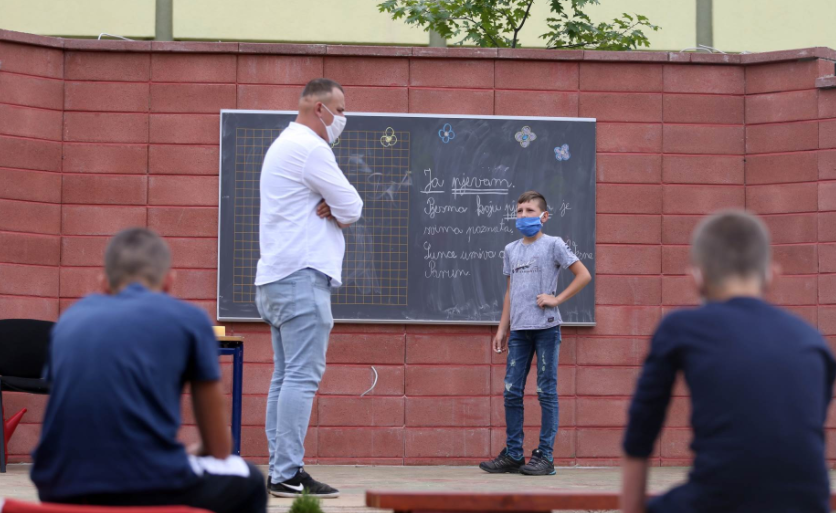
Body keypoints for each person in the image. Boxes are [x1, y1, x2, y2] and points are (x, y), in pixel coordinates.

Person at [30, 228, 266, 513]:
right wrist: (186, 453)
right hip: (147, 484)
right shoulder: (189, 320)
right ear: (169, 282)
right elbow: (219, 448)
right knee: (250, 480)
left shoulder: (69, 320)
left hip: (58, 486)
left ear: (103, 283)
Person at [621, 210, 836, 513]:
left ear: (696, 278)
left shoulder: (680, 327)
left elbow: (640, 431)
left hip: (715, 501)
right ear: (772, 276)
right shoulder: (812, 340)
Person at [255, 77, 363, 498]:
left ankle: (281, 469)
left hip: (275, 278)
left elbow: (340, 206)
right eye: (340, 109)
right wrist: (336, 209)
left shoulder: (283, 143)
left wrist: (331, 206)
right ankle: (287, 473)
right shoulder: (311, 147)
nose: (343, 117)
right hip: (302, 277)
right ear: (320, 108)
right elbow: (352, 206)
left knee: (285, 377)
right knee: (300, 377)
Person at [480, 190, 591, 476]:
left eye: (529, 211)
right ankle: (513, 454)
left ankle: (545, 457)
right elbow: (510, 291)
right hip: (518, 331)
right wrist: (502, 328)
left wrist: (556, 299)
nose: (523, 216)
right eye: (519, 211)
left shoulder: (553, 244)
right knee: (511, 392)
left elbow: (584, 275)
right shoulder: (511, 249)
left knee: (545, 392)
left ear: (544, 216)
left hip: (546, 329)